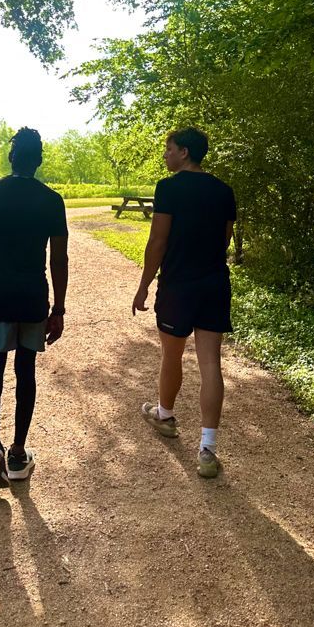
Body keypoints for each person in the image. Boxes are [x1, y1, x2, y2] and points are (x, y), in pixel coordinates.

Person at [0, 128, 68, 489]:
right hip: (34, 298)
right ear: (38, 160)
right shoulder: (52, 201)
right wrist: (59, 309)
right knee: (26, 371)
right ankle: (19, 453)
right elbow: (59, 259)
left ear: (12, 158)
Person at [132, 127, 236, 478]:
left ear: (185, 152)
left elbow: (157, 242)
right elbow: (223, 241)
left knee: (172, 354)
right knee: (211, 364)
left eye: (169, 149)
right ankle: (207, 450)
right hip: (214, 284)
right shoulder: (224, 191)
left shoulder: (169, 188)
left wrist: (144, 285)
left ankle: (164, 415)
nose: (165, 155)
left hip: (178, 285)